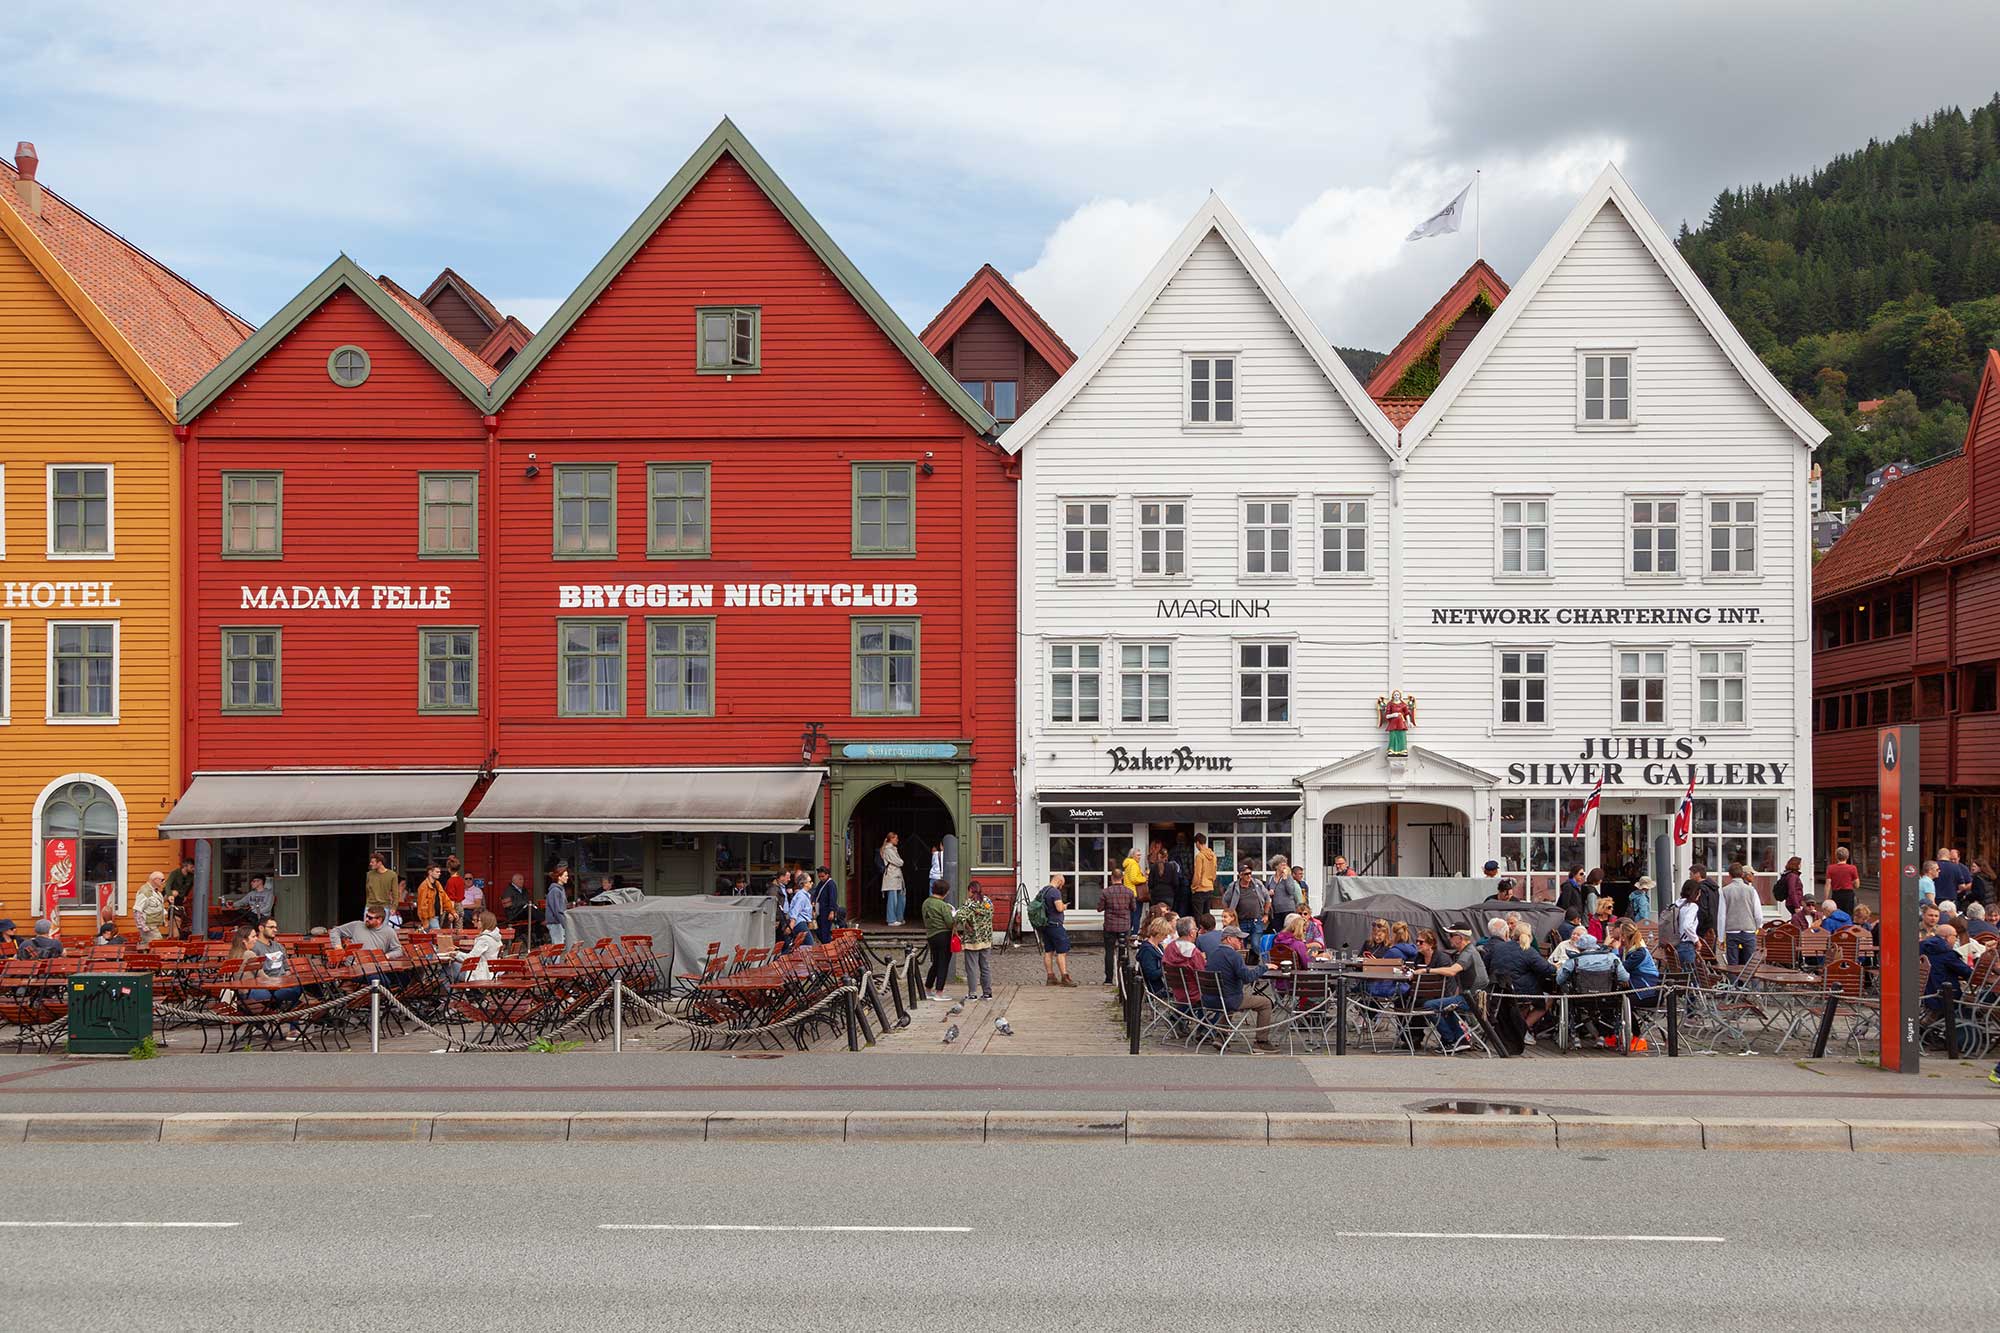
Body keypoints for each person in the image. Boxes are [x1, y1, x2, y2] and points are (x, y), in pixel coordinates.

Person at [1200, 926, 1276, 1052]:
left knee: (1230, 996)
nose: (1242, 942)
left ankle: (1221, 1036)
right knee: (1266, 1003)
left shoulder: (1212, 954)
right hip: (1229, 999)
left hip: (1210, 999)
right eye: (1239, 939)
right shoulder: (1234, 956)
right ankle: (1261, 1041)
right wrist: (1264, 967)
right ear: (1229, 939)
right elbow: (1247, 977)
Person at [1415, 926, 1485, 1051]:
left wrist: (1427, 970)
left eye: (1451, 936)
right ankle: (1460, 1039)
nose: (1449, 938)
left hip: (1472, 999)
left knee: (1429, 1005)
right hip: (1469, 997)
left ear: (1460, 938)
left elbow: (1452, 971)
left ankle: (1450, 1040)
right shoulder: (1467, 952)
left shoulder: (1467, 953)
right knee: (1446, 1005)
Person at [242, 915, 304, 1040]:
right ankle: (293, 1027)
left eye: (276, 927)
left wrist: (288, 979)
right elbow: (257, 975)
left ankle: (318, 1013)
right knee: (299, 990)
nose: (275, 929)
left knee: (307, 986)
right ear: (261, 928)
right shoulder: (254, 947)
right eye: (271, 927)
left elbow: (287, 969)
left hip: (281, 985)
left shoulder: (279, 946)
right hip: (264, 988)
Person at [1099, 859, 1136, 987]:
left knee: (1109, 951)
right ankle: (1125, 978)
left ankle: (1109, 979)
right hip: (1124, 925)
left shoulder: (1106, 892)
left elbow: (1099, 908)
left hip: (1110, 925)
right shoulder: (1129, 892)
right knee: (1124, 950)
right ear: (1122, 878)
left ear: (1111, 878)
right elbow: (1134, 908)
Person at [955, 882, 995, 1001]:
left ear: (970, 891)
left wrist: (966, 925)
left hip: (972, 939)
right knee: (985, 966)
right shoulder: (987, 902)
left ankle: (972, 993)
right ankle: (987, 993)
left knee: (971, 967)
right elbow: (991, 914)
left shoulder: (969, 903)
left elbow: (960, 916)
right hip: (986, 939)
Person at [1920, 924, 1972, 1016]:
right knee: (1969, 1008)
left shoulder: (1922, 946)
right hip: (1943, 996)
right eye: (1955, 936)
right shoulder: (1946, 953)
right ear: (1947, 937)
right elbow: (1968, 972)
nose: (1956, 940)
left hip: (1924, 995)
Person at [441, 911, 504, 983]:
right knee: (451, 969)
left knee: (446, 968)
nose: (475, 922)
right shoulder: (496, 937)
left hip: (480, 974)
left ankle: (451, 993)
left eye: (478, 920)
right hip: (490, 972)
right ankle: (464, 993)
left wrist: (456, 954)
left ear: (485, 922)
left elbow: (471, 958)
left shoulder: (484, 939)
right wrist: (457, 951)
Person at [1719, 863, 1762, 965]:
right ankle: (1750, 981)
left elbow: (1721, 915)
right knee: (1750, 964)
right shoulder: (1751, 890)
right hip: (1748, 930)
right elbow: (1758, 913)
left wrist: (1721, 938)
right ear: (1742, 874)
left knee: (1733, 964)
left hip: (1732, 931)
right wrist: (1757, 926)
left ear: (1729, 875)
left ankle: (1734, 981)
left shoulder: (1724, 890)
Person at [1035, 875, 1074, 986]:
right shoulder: (1055, 892)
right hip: (1055, 925)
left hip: (1045, 925)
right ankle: (1065, 977)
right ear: (1059, 881)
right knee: (1062, 952)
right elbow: (1059, 908)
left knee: (1048, 952)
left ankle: (1050, 977)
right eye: (1062, 884)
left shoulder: (1043, 890)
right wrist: (1065, 906)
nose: (1062, 887)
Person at [920, 880, 955, 997]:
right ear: (944, 892)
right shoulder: (943, 905)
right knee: (943, 964)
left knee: (935, 963)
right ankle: (939, 991)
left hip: (931, 935)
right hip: (944, 935)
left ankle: (928, 988)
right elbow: (950, 923)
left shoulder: (926, 902)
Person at [329, 904, 403, 957]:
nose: (366, 919)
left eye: (370, 918)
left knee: (403, 976)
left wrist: (386, 956)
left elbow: (398, 950)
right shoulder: (357, 925)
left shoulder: (389, 931)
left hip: (376, 966)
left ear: (379, 920)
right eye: (366, 916)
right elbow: (335, 931)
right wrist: (338, 946)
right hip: (356, 967)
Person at [1616, 921, 1661, 1005]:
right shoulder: (1630, 950)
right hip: (1640, 987)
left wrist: (1615, 949)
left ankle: (1633, 1018)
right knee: (1617, 997)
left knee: (1620, 1002)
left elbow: (1621, 968)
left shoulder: (1639, 953)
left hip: (1649, 992)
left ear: (1623, 937)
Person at [1135, 917, 1171, 998]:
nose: (1166, 937)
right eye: (1165, 934)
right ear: (1159, 933)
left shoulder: (1159, 946)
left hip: (1162, 984)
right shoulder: (1147, 950)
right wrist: (1166, 969)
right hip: (1157, 988)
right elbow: (1151, 974)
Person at [163, 854, 197, 939]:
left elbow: (189, 887)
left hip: (179, 898)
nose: (193, 869)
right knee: (175, 893)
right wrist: (170, 894)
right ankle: (161, 905)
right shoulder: (175, 873)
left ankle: (173, 936)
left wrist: (185, 895)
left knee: (177, 918)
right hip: (169, 894)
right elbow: (168, 885)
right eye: (192, 867)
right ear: (186, 866)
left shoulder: (191, 876)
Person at [133, 871, 169, 947]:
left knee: (149, 946)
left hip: (154, 925)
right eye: (162, 880)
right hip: (148, 926)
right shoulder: (145, 892)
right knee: (157, 944)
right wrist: (142, 926)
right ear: (155, 880)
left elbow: (159, 907)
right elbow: (137, 910)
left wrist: (163, 921)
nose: (164, 882)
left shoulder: (156, 892)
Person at [878, 832, 906, 926]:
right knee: (892, 899)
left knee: (900, 897)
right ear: (891, 839)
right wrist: (901, 861)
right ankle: (891, 920)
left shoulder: (893, 849)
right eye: (896, 838)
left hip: (896, 876)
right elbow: (899, 862)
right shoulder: (888, 850)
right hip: (891, 876)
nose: (897, 840)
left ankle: (899, 918)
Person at [786, 874, 818, 954]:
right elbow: (796, 910)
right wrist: (791, 924)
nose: (812, 883)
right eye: (810, 881)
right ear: (804, 883)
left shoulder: (804, 895)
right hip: (800, 923)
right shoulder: (801, 896)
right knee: (810, 944)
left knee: (801, 946)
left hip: (802, 923)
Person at [1825, 846, 1860, 915]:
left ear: (1836, 856)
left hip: (1836, 894)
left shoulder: (1830, 868)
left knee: (1836, 914)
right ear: (1847, 856)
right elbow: (1857, 885)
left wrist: (1826, 898)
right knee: (1849, 915)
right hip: (1848, 895)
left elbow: (1828, 884)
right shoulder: (1852, 868)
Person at [364, 852, 399, 918]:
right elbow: (367, 891)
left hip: (384, 907)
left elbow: (395, 893)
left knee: (383, 928)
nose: (370, 864)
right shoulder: (369, 874)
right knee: (367, 927)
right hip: (370, 906)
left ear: (379, 863)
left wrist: (394, 907)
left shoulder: (392, 875)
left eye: (372, 862)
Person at [543, 864, 571, 948]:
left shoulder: (560, 889)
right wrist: (564, 924)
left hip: (558, 922)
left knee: (559, 946)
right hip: (555, 923)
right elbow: (557, 910)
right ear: (559, 877)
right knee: (557, 946)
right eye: (565, 876)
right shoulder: (555, 891)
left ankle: (552, 961)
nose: (567, 877)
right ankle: (554, 961)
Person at [416, 863, 449, 930]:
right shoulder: (424, 886)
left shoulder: (437, 884)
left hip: (438, 914)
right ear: (430, 872)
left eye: (440, 872)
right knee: (438, 934)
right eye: (437, 872)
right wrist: (425, 920)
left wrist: (452, 911)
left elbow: (444, 898)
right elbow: (422, 905)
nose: (439, 873)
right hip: (430, 916)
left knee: (431, 936)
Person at [812, 865, 841, 944]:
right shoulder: (821, 883)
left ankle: (827, 946)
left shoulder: (831, 884)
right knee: (818, 930)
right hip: (820, 911)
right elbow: (816, 894)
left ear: (827, 874)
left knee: (825, 932)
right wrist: (813, 902)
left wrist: (832, 911)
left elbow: (832, 898)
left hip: (826, 911)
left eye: (823, 876)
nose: (821, 878)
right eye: (819, 876)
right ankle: (827, 945)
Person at [1191, 833, 1217, 918]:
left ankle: (1199, 931)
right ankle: (1208, 931)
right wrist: (1211, 882)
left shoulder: (1200, 856)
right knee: (1207, 915)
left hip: (1200, 888)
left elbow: (1197, 874)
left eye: (1196, 844)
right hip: (1209, 887)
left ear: (1198, 843)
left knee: (1198, 916)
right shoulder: (1213, 855)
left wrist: (1193, 887)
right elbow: (1214, 872)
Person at [443, 854, 469, 922]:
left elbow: (451, 898)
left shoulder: (450, 881)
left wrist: (451, 912)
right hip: (460, 905)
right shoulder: (461, 879)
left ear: (449, 869)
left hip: (452, 906)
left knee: (448, 930)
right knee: (459, 928)